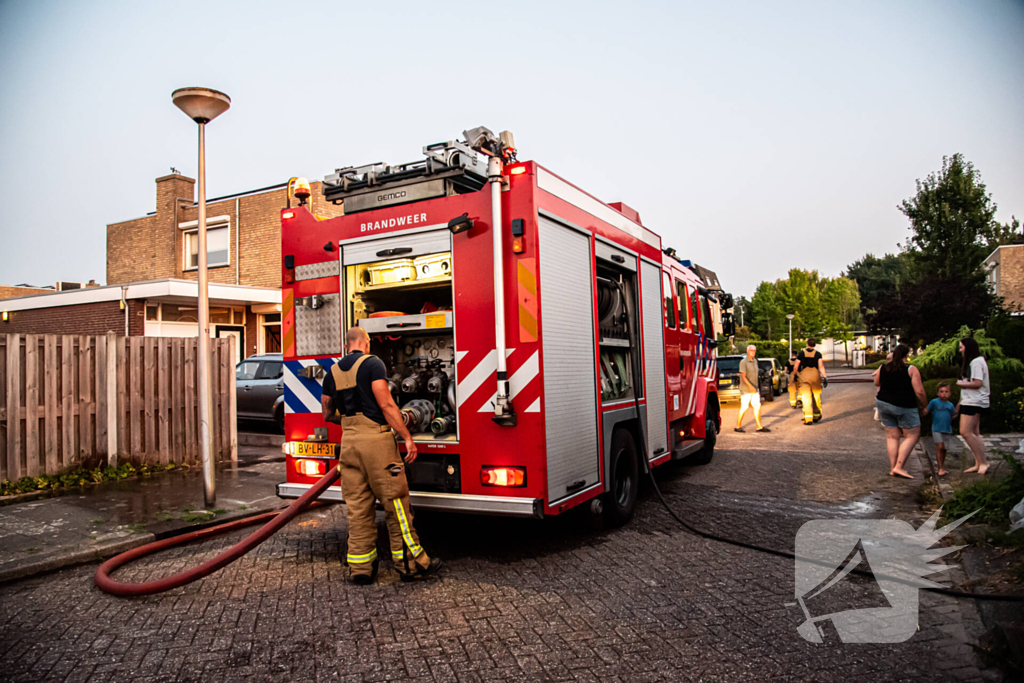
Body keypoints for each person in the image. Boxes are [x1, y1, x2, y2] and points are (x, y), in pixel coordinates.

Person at [321, 326, 442, 584]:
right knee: (396, 503)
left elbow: (328, 413)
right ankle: (410, 564)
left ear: (347, 344)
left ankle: (361, 569)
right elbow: (386, 403)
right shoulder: (372, 364)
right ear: (365, 343)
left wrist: (351, 419)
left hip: (349, 442)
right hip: (376, 442)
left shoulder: (332, 371)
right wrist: (407, 437)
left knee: (357, 507)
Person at [874, 343, 927, 479]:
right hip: (904, 405)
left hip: (883, 403)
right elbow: (919, 391)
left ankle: (893, 468)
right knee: (912, 436)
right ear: (906, 356)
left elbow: (877, 383)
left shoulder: (883, 367)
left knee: (892, 436)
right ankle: (899, 466)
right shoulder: (911, 369)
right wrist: (925, 405)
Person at [956, 337, 990, 475]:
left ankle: (983, 462)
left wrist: (961, 383)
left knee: (965, 432)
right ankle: (979, 462)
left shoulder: (976, 362)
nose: (960, 350)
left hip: (974, 401)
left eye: (961, 347)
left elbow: (977, 383)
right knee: (975, 433)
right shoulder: (976, 361)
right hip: (971, 400)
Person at [923, 382, 957, 476]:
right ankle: (940, 468)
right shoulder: (934, 402)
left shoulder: (950, 405)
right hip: (936, 428)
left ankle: (942, 466)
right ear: (938, 393)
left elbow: (953, 415)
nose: (944, 394)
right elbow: (926, 410)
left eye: (946, 392)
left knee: (944, 449)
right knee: (940, 447)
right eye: (942, 392)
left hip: (947, 429)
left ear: (950, 393)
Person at [735, 344, 770, 433]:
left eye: (754, 350)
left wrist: (756, 388)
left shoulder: (755, 361)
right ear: (747, 351)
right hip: (746, 389)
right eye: (751, 350)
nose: (753, 352)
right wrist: (750, 387)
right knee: (745, 407)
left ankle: (759, 426)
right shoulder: (743, 362)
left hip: (755, 388)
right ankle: (738, 426)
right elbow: (743, 376)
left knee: (757, 406)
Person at [795, 338, 828, 424]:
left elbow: (796, 366)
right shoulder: (818, 354)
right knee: (816, 396)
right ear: (814, 345)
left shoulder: (801, 354)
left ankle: (808, 419)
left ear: (807, 344)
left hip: (805, 377)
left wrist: (795, 375)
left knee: (806, 398)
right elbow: (821, 366)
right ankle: (816, 415)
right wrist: (825, 377)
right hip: (815, 377)